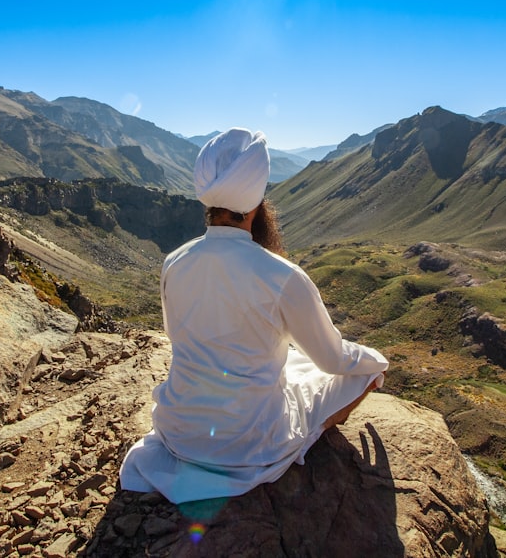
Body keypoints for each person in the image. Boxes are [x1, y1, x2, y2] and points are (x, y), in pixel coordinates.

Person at [119, 127, 388, 504]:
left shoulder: (174, 262)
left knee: (293, 365)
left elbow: (174, 335)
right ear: (258, 202)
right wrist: (375, 359)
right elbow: (333, 359)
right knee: (359, 374)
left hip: (178, 434)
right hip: (247, 445)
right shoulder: (283, 276)